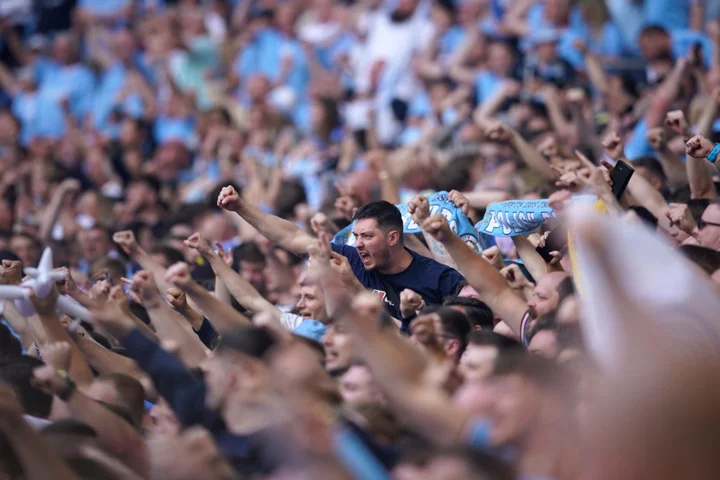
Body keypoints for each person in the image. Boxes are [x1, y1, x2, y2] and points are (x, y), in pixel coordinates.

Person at [217, 186, 464, 321]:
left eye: (367, 236)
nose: (358, 244)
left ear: (392, 238)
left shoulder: (439, 279)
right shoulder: (351, 259)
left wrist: (352, 285)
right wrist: (241, 208)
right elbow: (292, 237)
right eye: (356, 236)